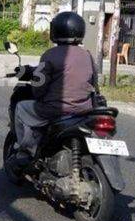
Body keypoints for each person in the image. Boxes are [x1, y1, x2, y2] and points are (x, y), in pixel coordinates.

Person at [12, 11, 97, 167]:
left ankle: (26, 149)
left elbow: (38, 89)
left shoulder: (49, 55)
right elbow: (94, 84)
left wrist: (39, 94)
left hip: (55, 110)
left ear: (56, 30)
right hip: (84, 110)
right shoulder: (88, 55)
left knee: (20, 107)